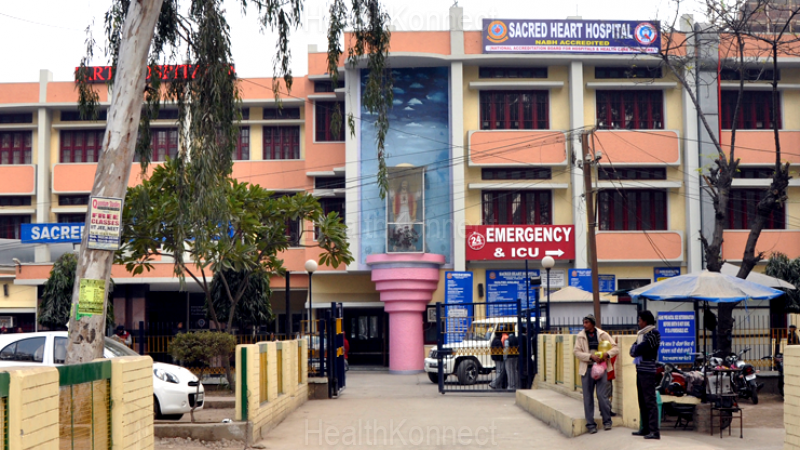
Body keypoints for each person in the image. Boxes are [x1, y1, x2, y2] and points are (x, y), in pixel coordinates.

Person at [574, 314, 619, 434]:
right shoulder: (580, 336)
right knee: (588, 397)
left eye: (587, 323)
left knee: (602, 396)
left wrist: (606, 354)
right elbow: (576, 352)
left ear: (592, 323)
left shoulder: (603, 335)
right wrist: (590, 357)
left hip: (602, 368)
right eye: (583, 323)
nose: (584, 325)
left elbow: (615, 348)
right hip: (587, 369)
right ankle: (590, 424)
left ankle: (607, 421)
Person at [630, 310, 661, 440]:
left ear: (645, 321)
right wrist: (635, 349)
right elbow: (633, 349)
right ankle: (645, 428)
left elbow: (641, 348)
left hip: (648, 371)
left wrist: (635, 349)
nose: (638, 323)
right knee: (642, 401)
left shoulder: (654, 333)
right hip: (640, 369)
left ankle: (654, 431)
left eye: (640, 320)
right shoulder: (641, 334)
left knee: (650, 401)